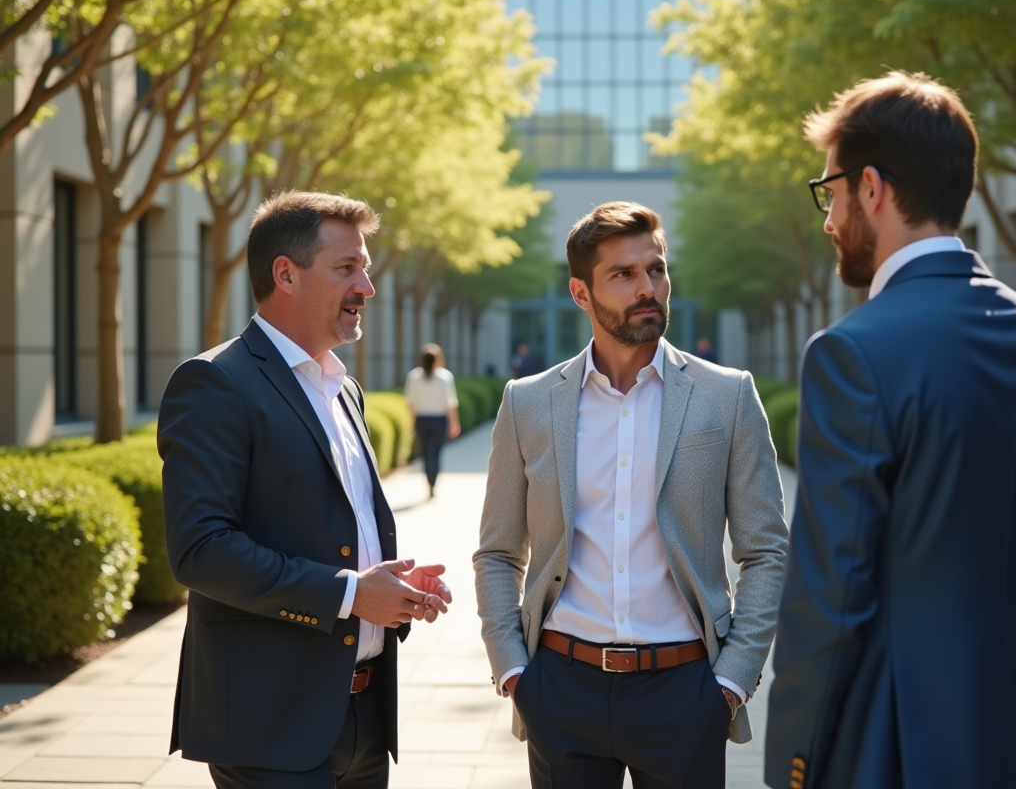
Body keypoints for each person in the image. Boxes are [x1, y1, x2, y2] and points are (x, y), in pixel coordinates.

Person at [764, 72, 1016, 789]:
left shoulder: (851, 353)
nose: (827, 218)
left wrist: (793, 761)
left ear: (873, 188)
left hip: (888, 746)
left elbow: (829, 595)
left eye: (830, 192)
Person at [474, 201, 789, 789]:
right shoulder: (529, 402)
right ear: (580, 293)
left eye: (656, 269)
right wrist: (514, 671)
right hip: (560, 689)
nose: (648, 287)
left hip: (687, 691)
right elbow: (497, 552)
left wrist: (733, 681)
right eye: (623, 274)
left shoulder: (728, 396)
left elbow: (766, 549)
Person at [158, 190, 453, 789]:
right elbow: (200, 551)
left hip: (365, 721)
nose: (367, 286)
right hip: (269, 724)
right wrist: (349, 594)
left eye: (365, 268)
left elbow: (333, 530)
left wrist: (388, 588)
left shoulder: (344, 389)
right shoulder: (214, 384)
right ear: (285, 274)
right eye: (347, 268)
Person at [404, 343, 461, 498]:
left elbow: (411, 403)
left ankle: (429, 481)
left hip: (421, 420)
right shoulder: (445, 377)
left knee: (425, 453)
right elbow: (450, 403)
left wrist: (410, 423)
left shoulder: (413, 376)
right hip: (439, 420)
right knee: (435, 453)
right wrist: (455, 422)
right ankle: (432, 483)